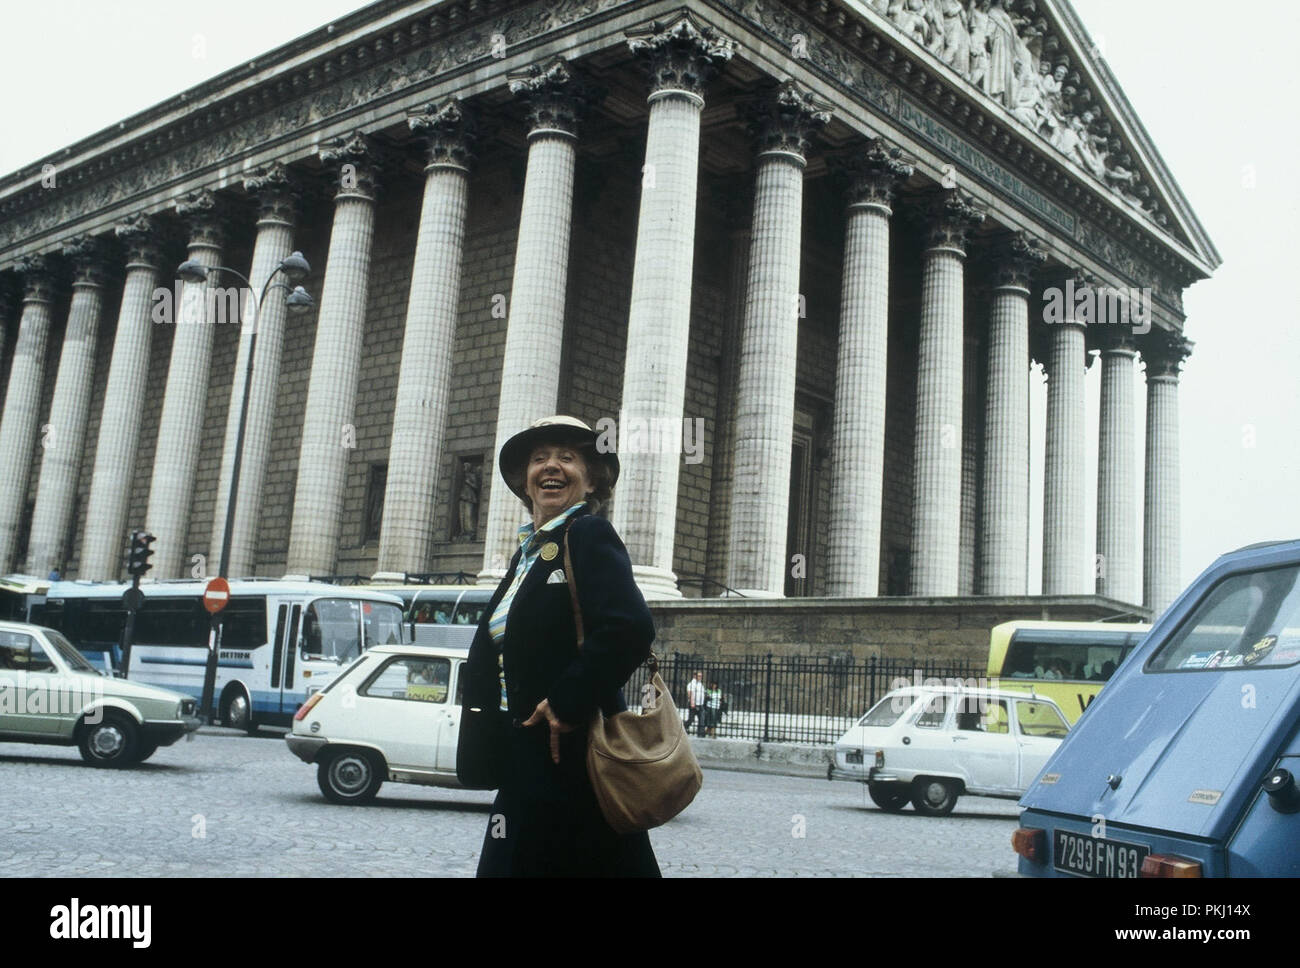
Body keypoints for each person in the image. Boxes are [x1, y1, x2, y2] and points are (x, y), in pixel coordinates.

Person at [460, 415, 660, 877]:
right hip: (525, 754)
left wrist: (565, 704)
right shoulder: (529, 554)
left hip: (572, 756)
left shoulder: (587, 535)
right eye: (539, 458)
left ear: (591, 480)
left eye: (567, 457)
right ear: (524, 482)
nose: (551, 466)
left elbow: (629, 627)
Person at [686, 670, 705, 735]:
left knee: (702, 720)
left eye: (701, 676)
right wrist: (692, 703)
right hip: (693, 704)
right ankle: (683, 728)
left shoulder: (700, 684)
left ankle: (701, 733)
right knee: (691, 720)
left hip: (700, 704)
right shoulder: (691, 684)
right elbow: (690, 694)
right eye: (699, 676)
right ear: (695, 676)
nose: (700, 677)